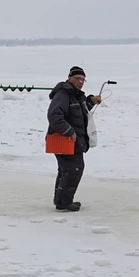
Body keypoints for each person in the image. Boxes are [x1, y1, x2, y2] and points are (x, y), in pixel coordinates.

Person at [47, 66, 102, 212]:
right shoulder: (63, 94)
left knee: (67, 170)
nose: (81, 82)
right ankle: (64, 202)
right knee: (73, 170)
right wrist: (68, 131)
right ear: (70, 78)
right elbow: (54, 115)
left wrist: (91, 100)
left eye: (83, 79)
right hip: (65, 140)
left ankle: (61, 201)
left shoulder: (76, 95)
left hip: (74, 142)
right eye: (78, 78)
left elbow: (79, 111)